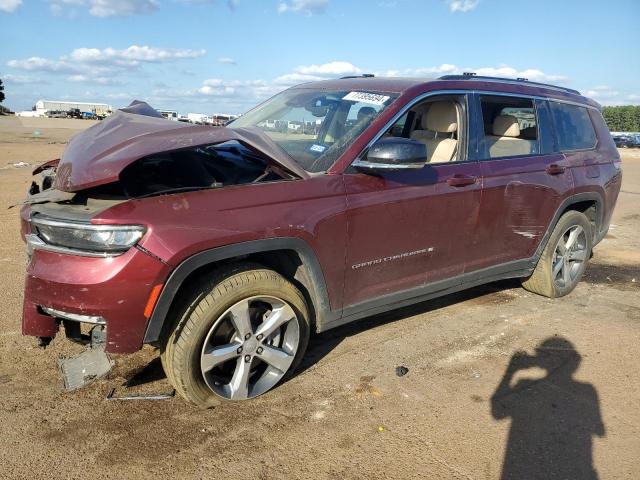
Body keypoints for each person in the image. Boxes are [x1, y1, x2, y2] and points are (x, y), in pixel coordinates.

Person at [491, 337, 605, 480]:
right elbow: (599, 430)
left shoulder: (524, 384)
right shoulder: (588, 391)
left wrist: (511, 370)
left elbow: (497, 412)